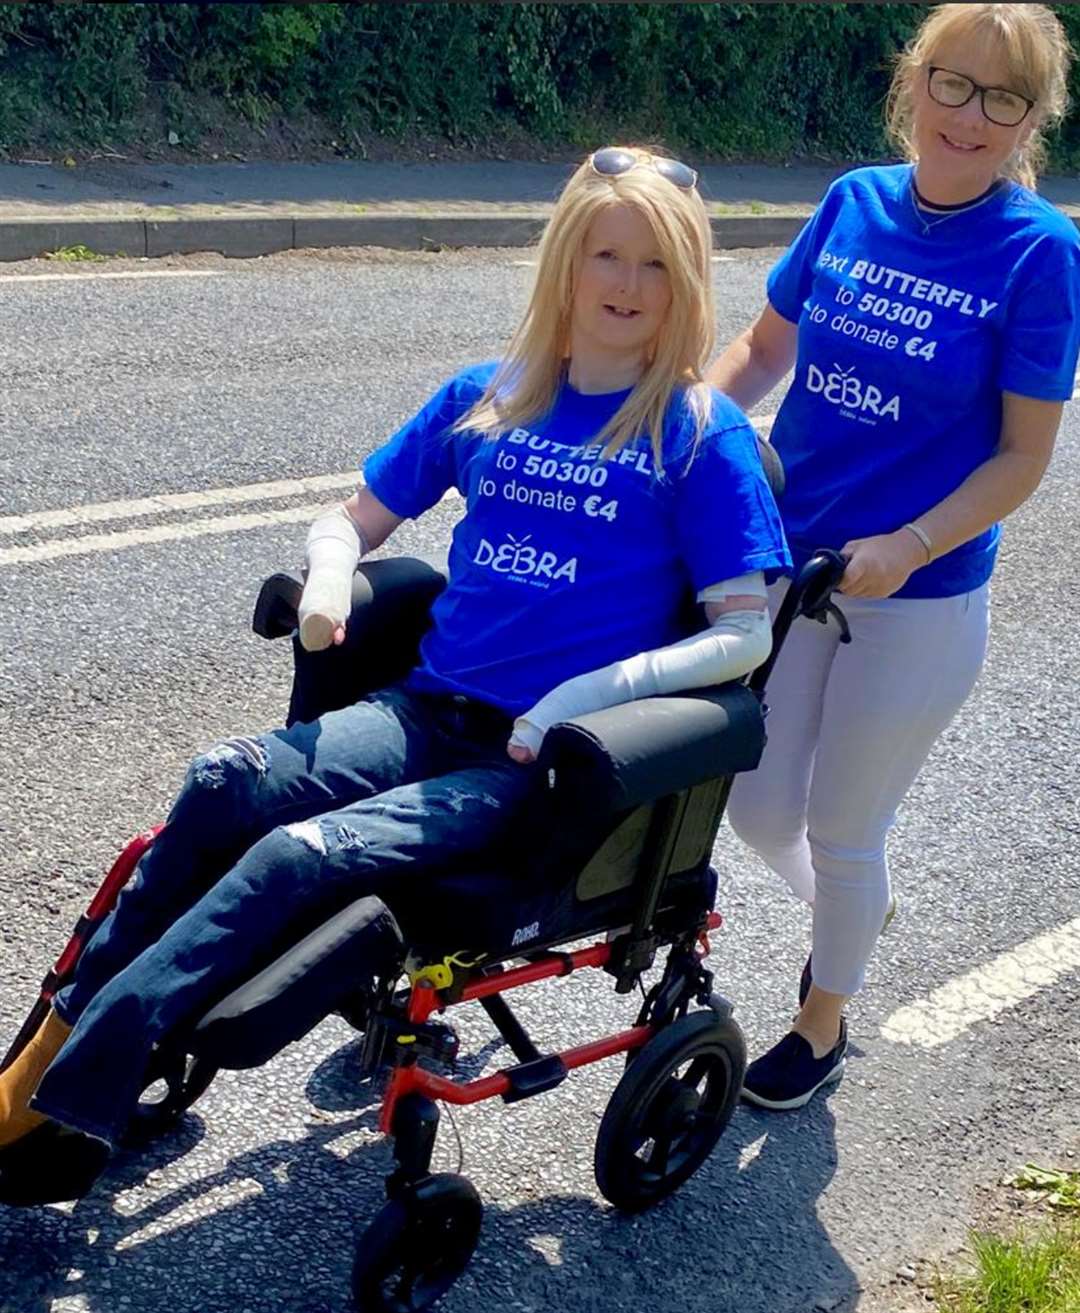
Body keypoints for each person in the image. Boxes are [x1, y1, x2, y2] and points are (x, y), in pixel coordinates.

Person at [0, 145, 790, 1203]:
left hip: (534, 763)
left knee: (292, 856)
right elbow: (355, 514)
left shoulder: (698, 434)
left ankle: (56, 1112)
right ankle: (40, 1059)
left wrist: (578, 700)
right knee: (222, 781)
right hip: (423, 708)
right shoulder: (492, 395)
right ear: (566, 257)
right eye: (605, 253)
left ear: (687, 281)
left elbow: (744, 635)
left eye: (654, 265)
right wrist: (331, 576)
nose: (624, 285)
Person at [708, 2, 1080, 1110]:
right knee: (760, 808)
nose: (970, 114)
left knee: (842, 821)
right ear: (912, 81)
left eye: (1003, 97)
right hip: (793, 558)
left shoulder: (1043, 254)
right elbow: (766, 346)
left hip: (917, 596)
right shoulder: (853, 201)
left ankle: (822, 1018)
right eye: (952, 83)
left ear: (1032, 121)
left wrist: (909, 545)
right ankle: (856, 907)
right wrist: (683, 436)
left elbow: (1023, 456)